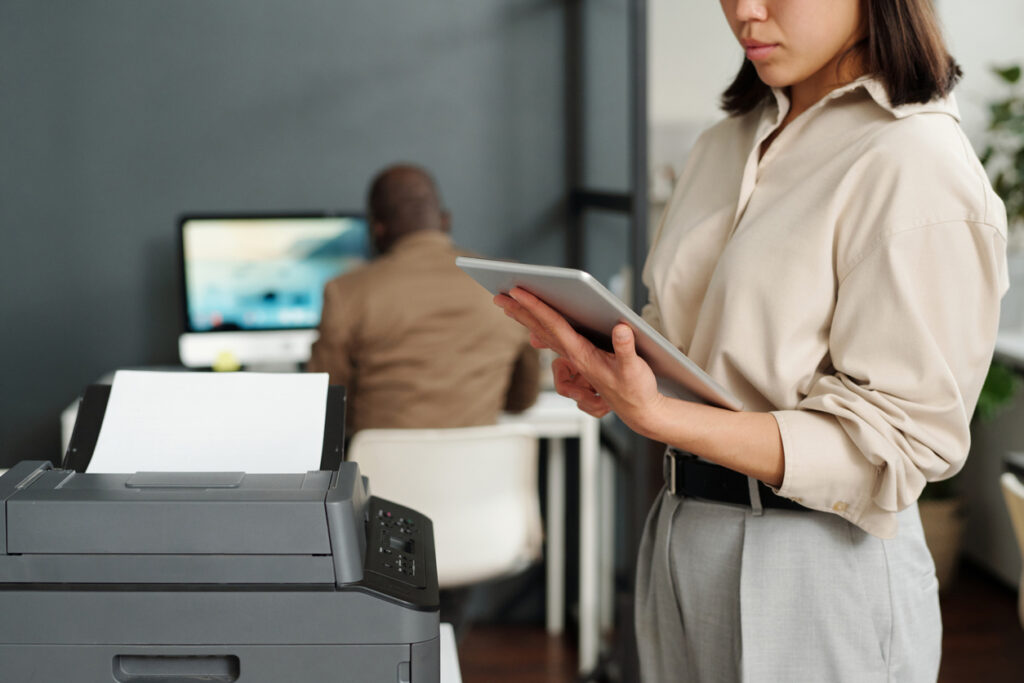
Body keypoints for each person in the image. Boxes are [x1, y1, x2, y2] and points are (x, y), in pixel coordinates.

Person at [497, 0, 1008, 680]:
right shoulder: (725, 141)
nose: (746, 10)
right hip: (682, 531)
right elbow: (688, 337)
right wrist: (615, 370)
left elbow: (900, 440)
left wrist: (663, 414)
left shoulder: (914, 157)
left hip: (817, 562)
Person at [309, 164, 539, 436]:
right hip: (478, 473)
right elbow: (522, 398)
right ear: (445, 221)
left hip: (382, 474)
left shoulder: (345, 292)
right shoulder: (508, 286)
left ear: (377, 229)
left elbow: (328, 406)